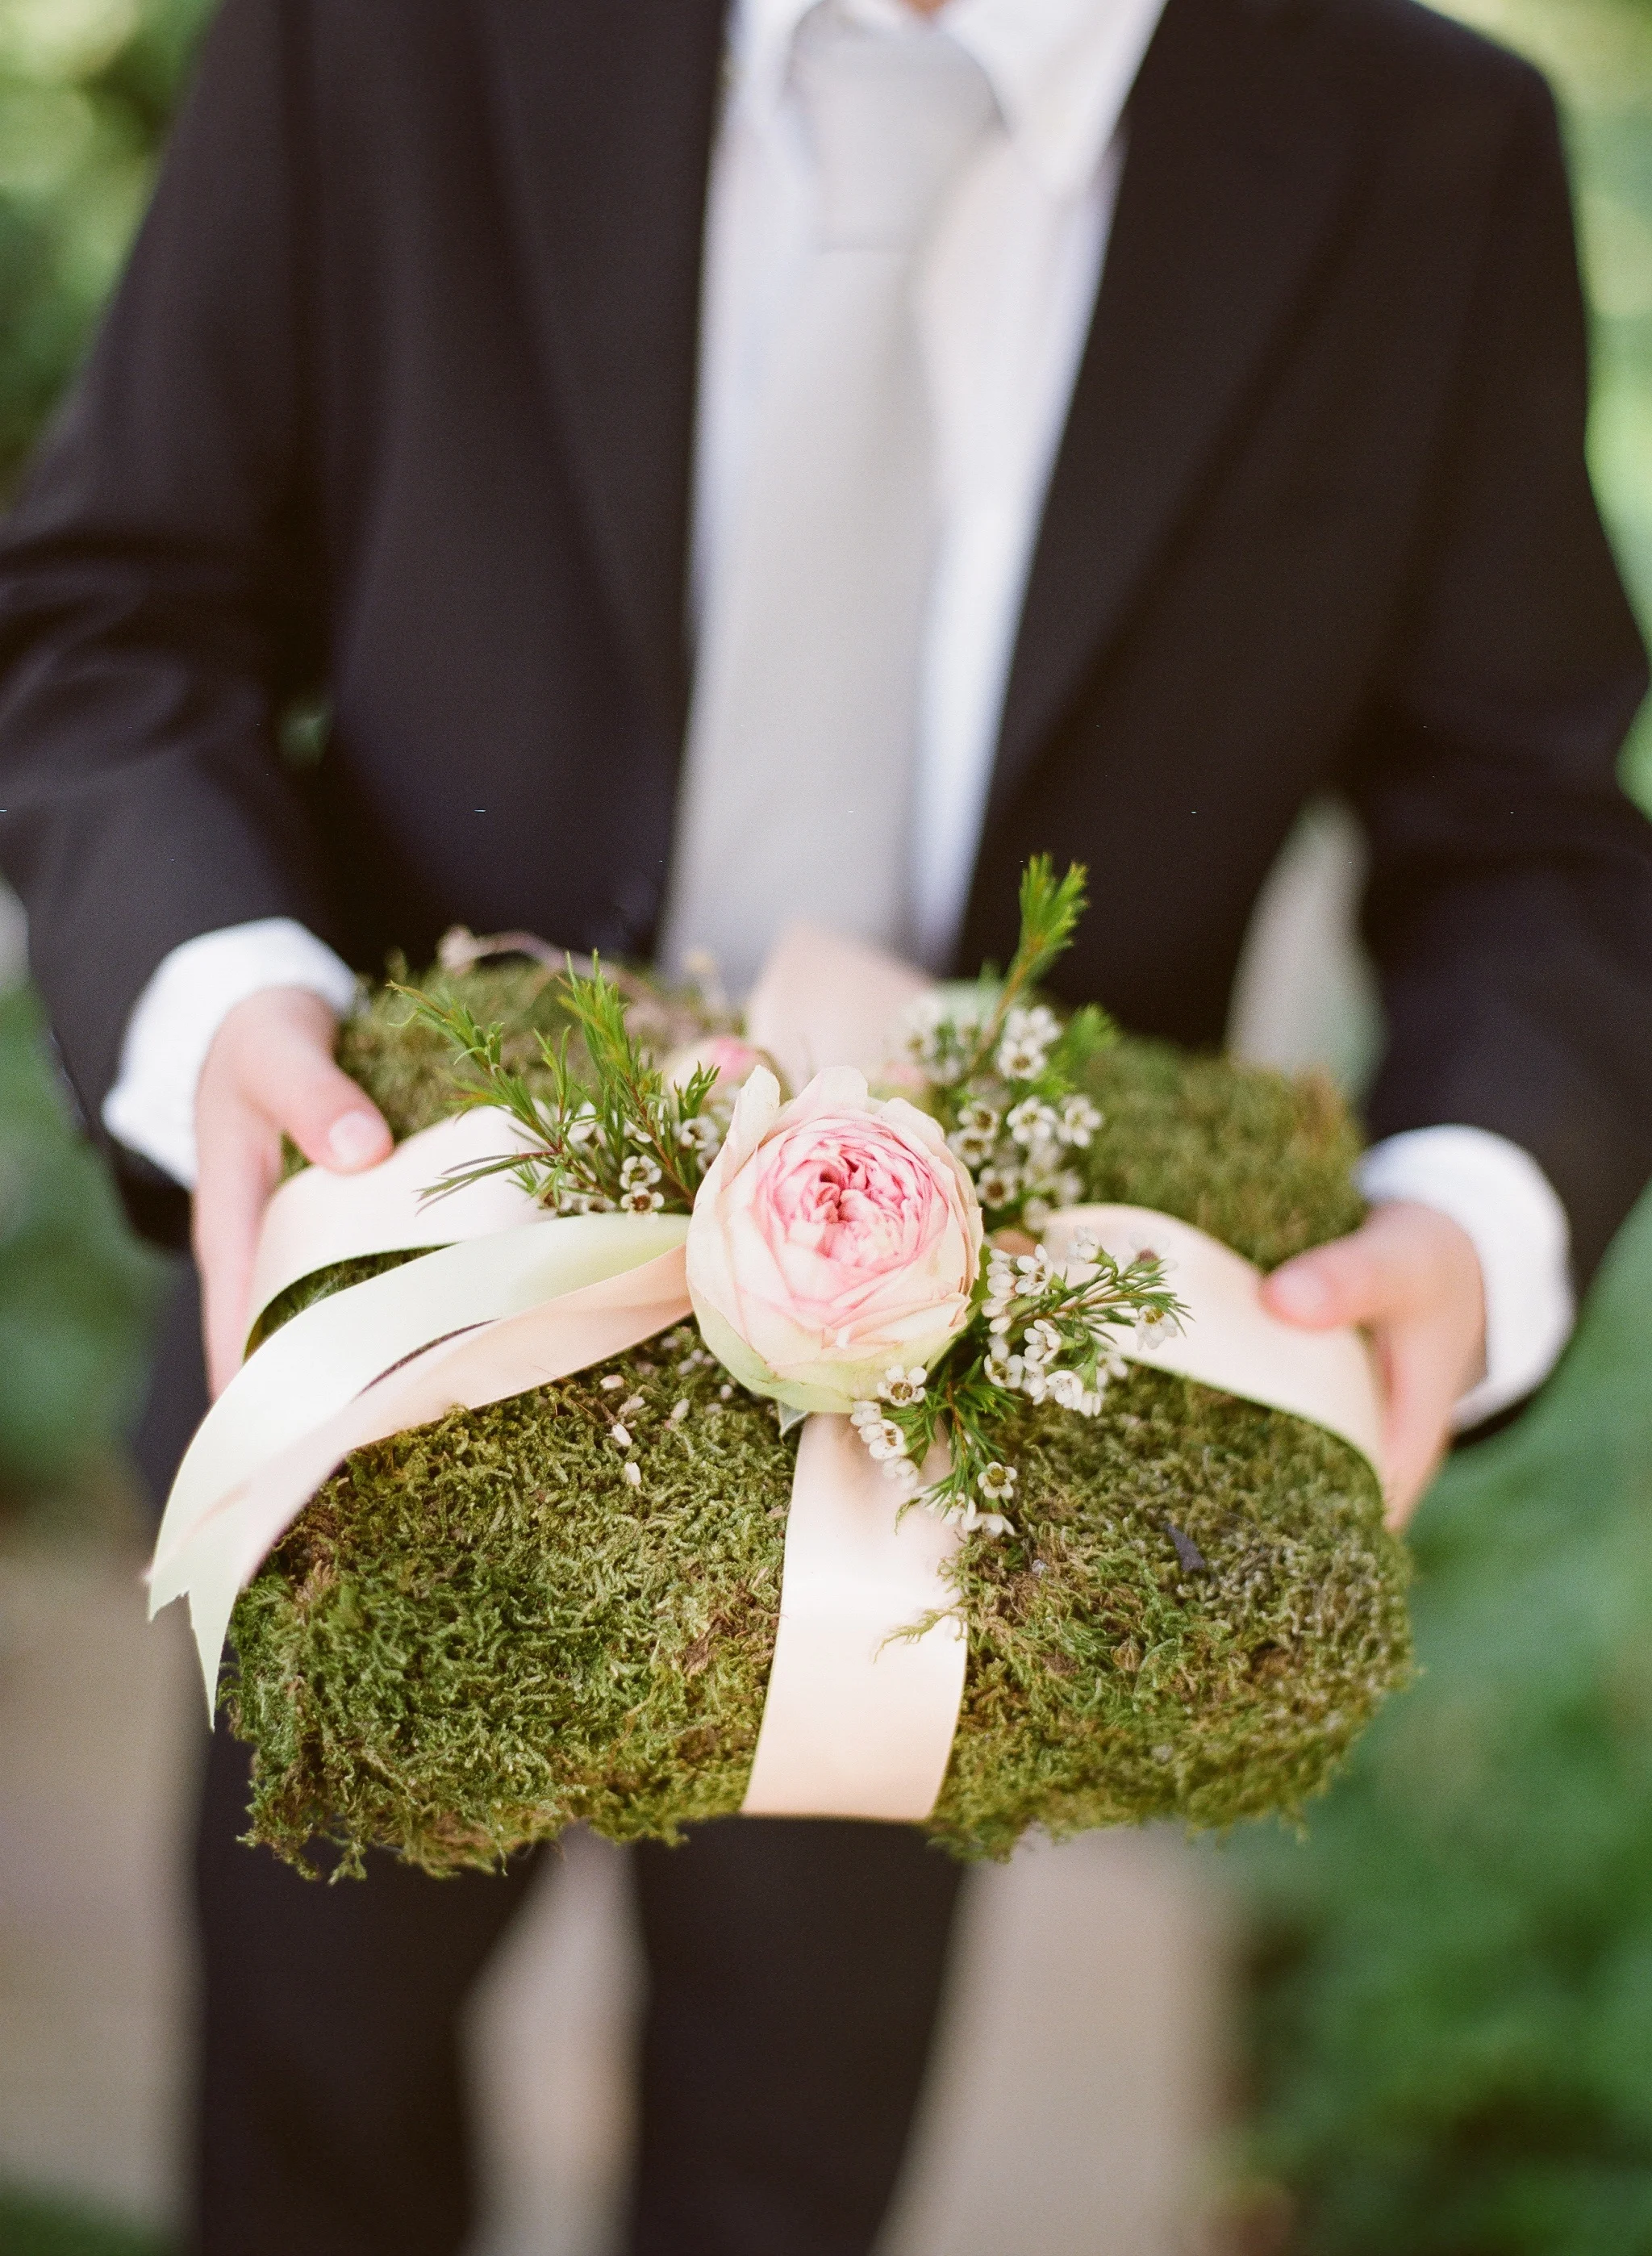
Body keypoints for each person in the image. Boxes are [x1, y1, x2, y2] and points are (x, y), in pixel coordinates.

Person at [2, 0, 1650, 2247]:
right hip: (394, 1378)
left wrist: (1476, 1199)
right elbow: (119, 610)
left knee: (790, 2155)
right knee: (313, 2098)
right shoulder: (380, 30)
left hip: (975, 1489)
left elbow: (1530, 832)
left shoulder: (1426, 150)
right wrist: (216, 996)